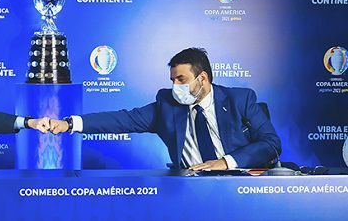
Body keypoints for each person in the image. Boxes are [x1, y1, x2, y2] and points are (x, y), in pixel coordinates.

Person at [49, 47, 281, 170]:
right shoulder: (167, 106)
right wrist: (69, 124)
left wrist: (226, 162)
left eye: (181, 79)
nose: (175, 86)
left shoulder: (240, 99)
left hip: (239, 185)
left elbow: (271, 143)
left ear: (203, 78)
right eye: (172, 80)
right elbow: (122, 120)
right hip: (191, 192)